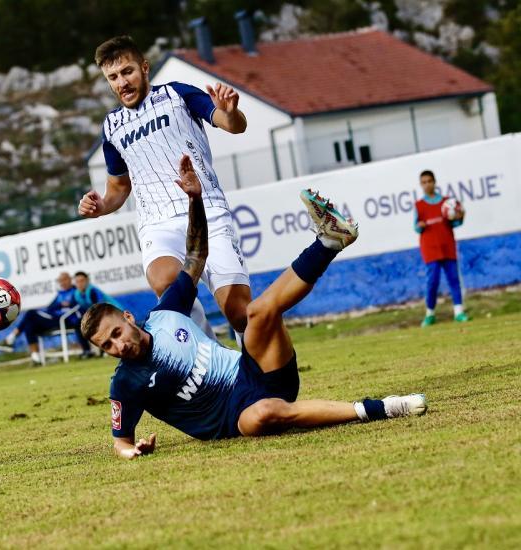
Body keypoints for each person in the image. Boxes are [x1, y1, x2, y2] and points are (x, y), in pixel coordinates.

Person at [80, 155, 427, 459]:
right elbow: (120, 442)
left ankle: (329, 241)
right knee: (263, 414)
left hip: (256, 370)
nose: (117, 345)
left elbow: (196, 254)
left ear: (127, 318)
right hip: (235, 418)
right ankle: (382, 407)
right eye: (106, 345)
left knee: (257, 313)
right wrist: (132, 450)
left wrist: (195, 198)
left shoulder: (166, 315)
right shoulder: (125, 384)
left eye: (115, 333)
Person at [79, 35, 251, 343]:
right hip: (157, 224)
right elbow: (118, 187)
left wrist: (231, 111)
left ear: (144, 68)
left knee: (238, 311)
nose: (122, 82)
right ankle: (212, 362)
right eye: (113, 77)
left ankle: (258, 373)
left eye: (127, 71)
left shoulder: (177, 95)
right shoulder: (111, 127)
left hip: (206, 209)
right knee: (167, 287)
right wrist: (101, 206)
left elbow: (232, 125)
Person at [0, 272, 92, 363]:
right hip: (54, 319)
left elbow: (76, 305)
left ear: (70, 279)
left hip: (65, 320)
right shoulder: (60, 294)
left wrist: (63, 305)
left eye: (65, 280)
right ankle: (36, 358)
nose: (62, 283)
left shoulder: (76, 291)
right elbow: (50, 307)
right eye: (60, 281)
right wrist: (61, 304)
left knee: (30, 313)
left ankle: (11, 339)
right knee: (29, 325)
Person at [414, 170, 469, 327]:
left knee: (453, 279)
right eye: (423, 182)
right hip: (430, 248)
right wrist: (420, 226)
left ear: (434, 182)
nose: (427, 184)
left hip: (447, 245)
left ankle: (459, 312)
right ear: (421, 184)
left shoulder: (447, 203)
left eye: (429, 181)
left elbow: (456, 223)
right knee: (432, 282)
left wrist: (461, 216)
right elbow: (416, 227)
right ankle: (430, 314)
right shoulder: (419, 205)